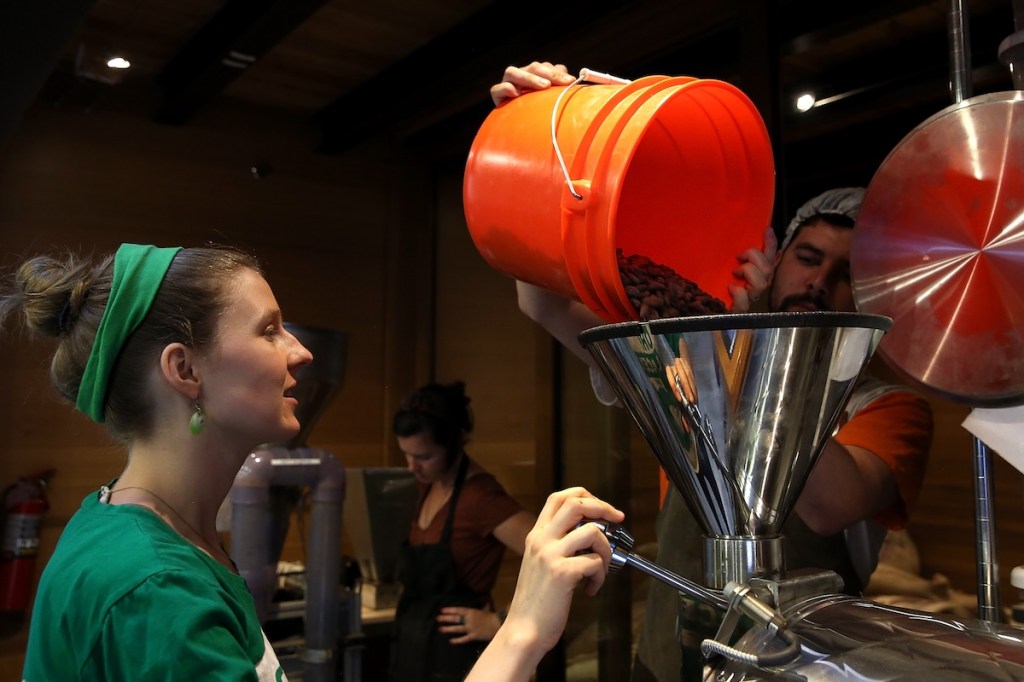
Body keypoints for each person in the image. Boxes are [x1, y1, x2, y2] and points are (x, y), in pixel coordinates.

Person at [0, 242, 626, 682]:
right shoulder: (154, 595)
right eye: (269, 329)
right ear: (185, 370)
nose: (299, 352)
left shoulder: (137, 532)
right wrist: (522, 632)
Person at [491, 62, 934, 681]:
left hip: (793, 667)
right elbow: (539, 301)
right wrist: (546, 161)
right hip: (667, 659)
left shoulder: (886, 405)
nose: (819, 282)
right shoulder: (690, 362)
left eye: (848, 273)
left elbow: (831, 503)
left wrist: (741, 345)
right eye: (807, 258)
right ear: (771, 259)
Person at [390, 380, 536, 682]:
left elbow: (553, 554)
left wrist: (502, 620)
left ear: (453, 444)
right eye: (406, 455)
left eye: (423, 457)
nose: (411, 467)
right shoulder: (427, 485)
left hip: (456, 659)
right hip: (415, 651)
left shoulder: (481, 498)